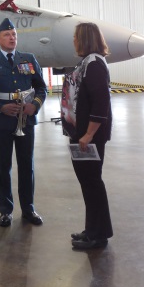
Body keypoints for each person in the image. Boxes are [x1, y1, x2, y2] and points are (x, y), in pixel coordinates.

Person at [0, 18, 47, 228]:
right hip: (2, 121)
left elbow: (41, 88)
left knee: (27, 166)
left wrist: (34, 106)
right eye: (7, 35)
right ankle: (5, 211)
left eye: (14, 35)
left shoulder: (28, 59)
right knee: (3, 167)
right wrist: (0, 108)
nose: (12, 38)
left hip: (26, 120)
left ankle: (28, 209)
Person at [61, 22, 113, 250]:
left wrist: (89, 134)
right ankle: (92, 229)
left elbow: (101, 103)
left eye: (76, 37)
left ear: (84, 39)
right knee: (88, 183)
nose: (73, 41)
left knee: (92, 183)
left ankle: (98, 235)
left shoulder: (93, 64)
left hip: (89, 136)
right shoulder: (87, 62)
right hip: (83, 133)